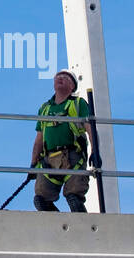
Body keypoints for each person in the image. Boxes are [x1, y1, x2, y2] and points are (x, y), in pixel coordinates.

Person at [29, 69, 90, 212]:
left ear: (72, 86)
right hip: (49, 160)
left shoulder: (78, 104)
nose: (60, 78)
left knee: (74, 197)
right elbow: (39, 139)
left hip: (73, 157)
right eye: (58, 77)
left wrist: (95, 152)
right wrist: (33, 164)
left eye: (66, 77)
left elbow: (90, 128)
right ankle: (58, 230)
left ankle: (82, 228)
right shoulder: (45, 109)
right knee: (41, 200)